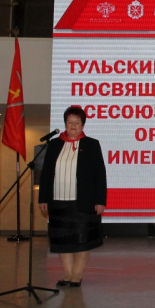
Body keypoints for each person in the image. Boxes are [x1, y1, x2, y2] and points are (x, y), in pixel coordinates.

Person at [38, 106, 107, 287]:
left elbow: (100, 174)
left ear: (83, 125)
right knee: (63, 240)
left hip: (83, 202)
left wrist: (100, 200)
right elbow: (46, 174)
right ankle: (68, 274)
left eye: (77, 122)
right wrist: (43, 198)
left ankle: (77, 275)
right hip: (58, 201)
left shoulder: (91, 145)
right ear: (65, 124)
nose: (73, 125)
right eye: (70, 122)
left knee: (82, 240)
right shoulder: (54, 145)